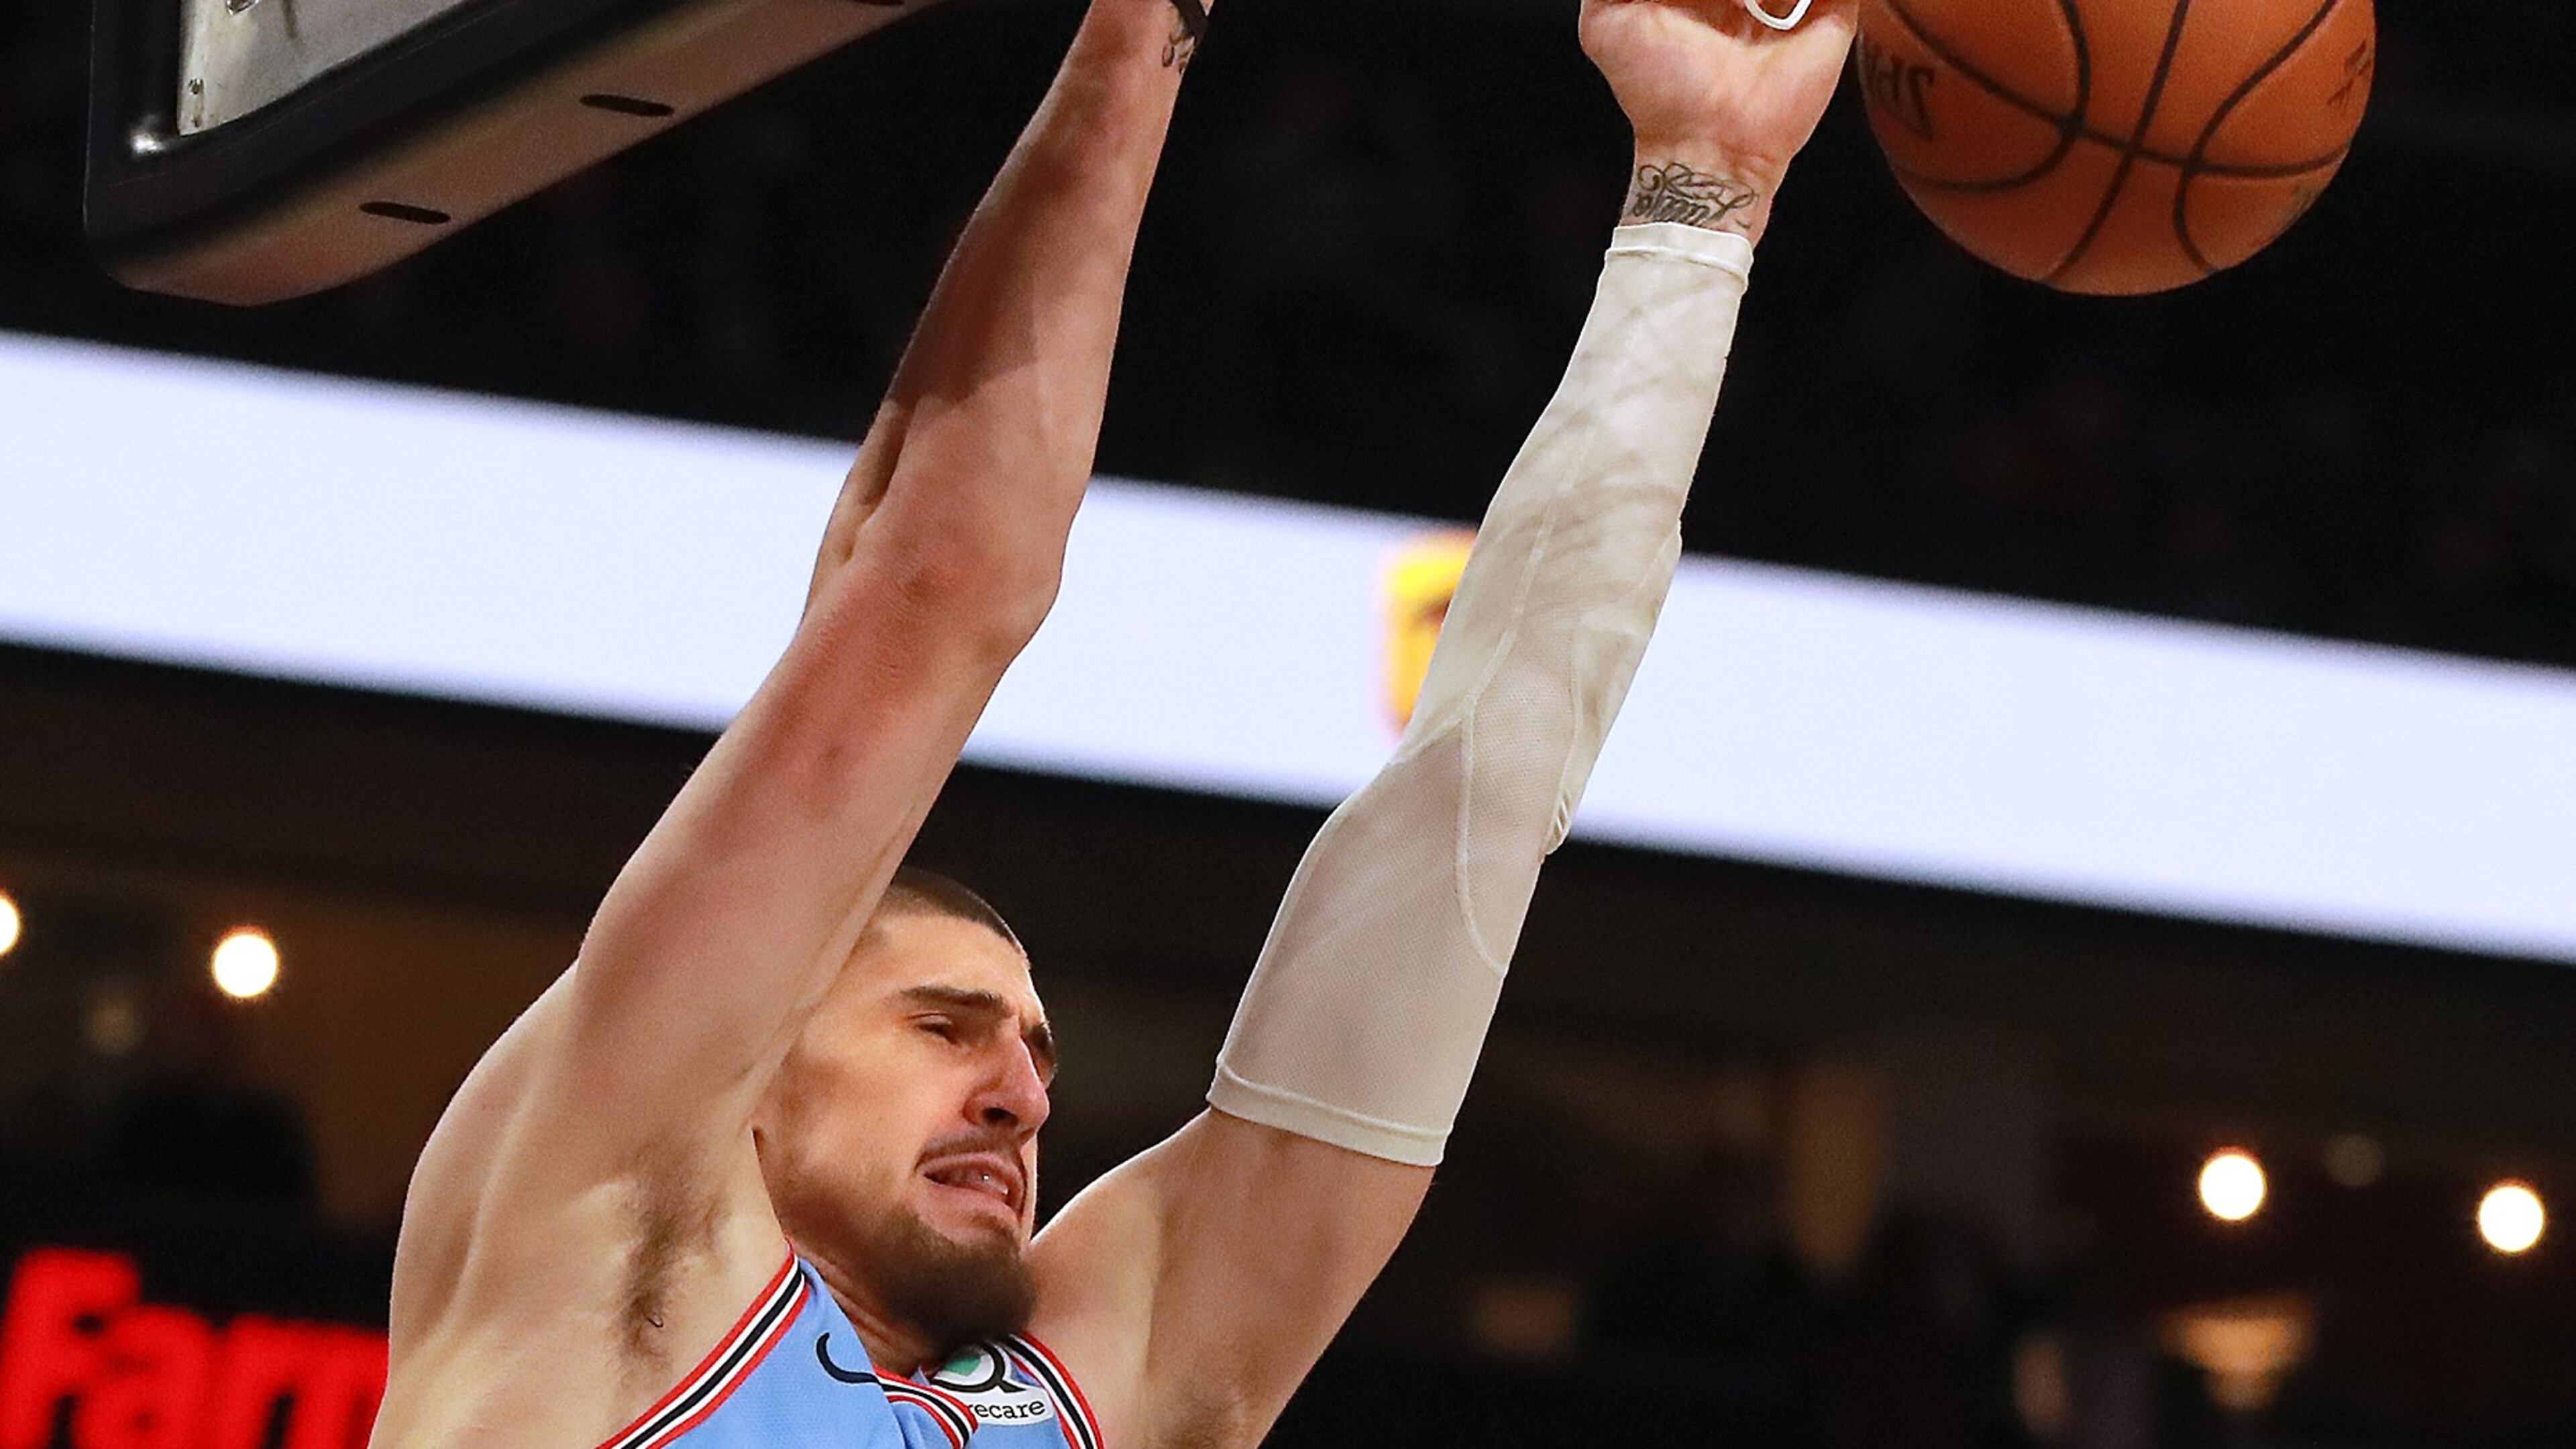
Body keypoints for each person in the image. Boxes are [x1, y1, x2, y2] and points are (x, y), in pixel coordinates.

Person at [369, 1, 1856, 1446]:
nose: (1019, 1098)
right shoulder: (589, 1246)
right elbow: (937, 584)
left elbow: (1484, 791)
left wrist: (1700, 195)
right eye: (942, 1028)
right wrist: (1141, 31)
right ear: (751, 1073)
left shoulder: (1107, 1393)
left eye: (1032, 1055)